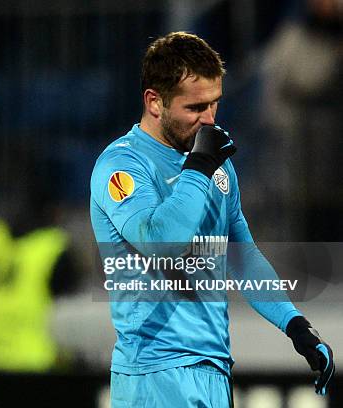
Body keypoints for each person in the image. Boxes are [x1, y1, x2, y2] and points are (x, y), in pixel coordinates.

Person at [89, 32, 334, 407]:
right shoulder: (123, 165)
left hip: (214, 370)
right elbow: (160, 242)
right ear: (154, 102)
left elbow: (243, 257)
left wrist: (295, 324)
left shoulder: (217, 167)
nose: (209, 120)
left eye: (214, 105)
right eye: (195, 108)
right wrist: (200, 166)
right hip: (155, 374)